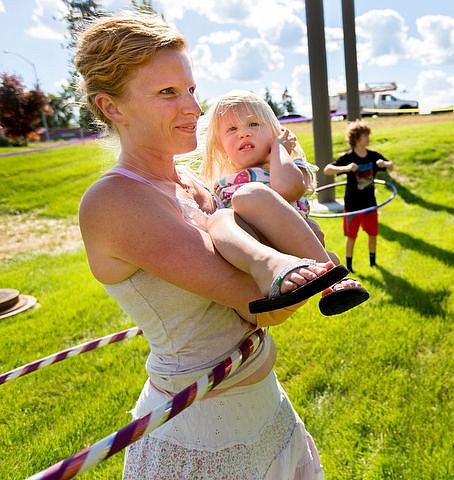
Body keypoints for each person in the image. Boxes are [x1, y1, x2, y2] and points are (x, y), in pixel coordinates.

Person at [75, 11, 326, 477]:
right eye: (168, 93)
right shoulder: (115, 201)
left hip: (264, 409)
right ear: (112, 108)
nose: (193, 107)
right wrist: (297, 253)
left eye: (190, 89)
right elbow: (263, 306)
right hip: (202, 437)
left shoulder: (191, 183)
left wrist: (295, 224)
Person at [197, 90, 369, 316]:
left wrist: (279, 150)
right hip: (250, 252)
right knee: (219, 219)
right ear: (220, 144)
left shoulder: (282, 167)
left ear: (276, 133)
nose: (243, 133)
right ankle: (320, 266)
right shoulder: (221, 183)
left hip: (285, 240)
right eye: (232, 129)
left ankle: (332, 280)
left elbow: (287, 190)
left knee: (248, 194)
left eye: (253, 124)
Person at [323, 120, 394, 273]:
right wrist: (347, 168)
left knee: (373, 234)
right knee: (351, 236)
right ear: (356, 137)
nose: (368, 138)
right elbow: (327, 170)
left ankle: (373, 263)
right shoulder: (349, 157)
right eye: (364, 135)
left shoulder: (373, 156)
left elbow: (392, 164)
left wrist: (385, 164)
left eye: (368, 135)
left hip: (370, 204)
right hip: (352, 206)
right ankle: (349, 266)